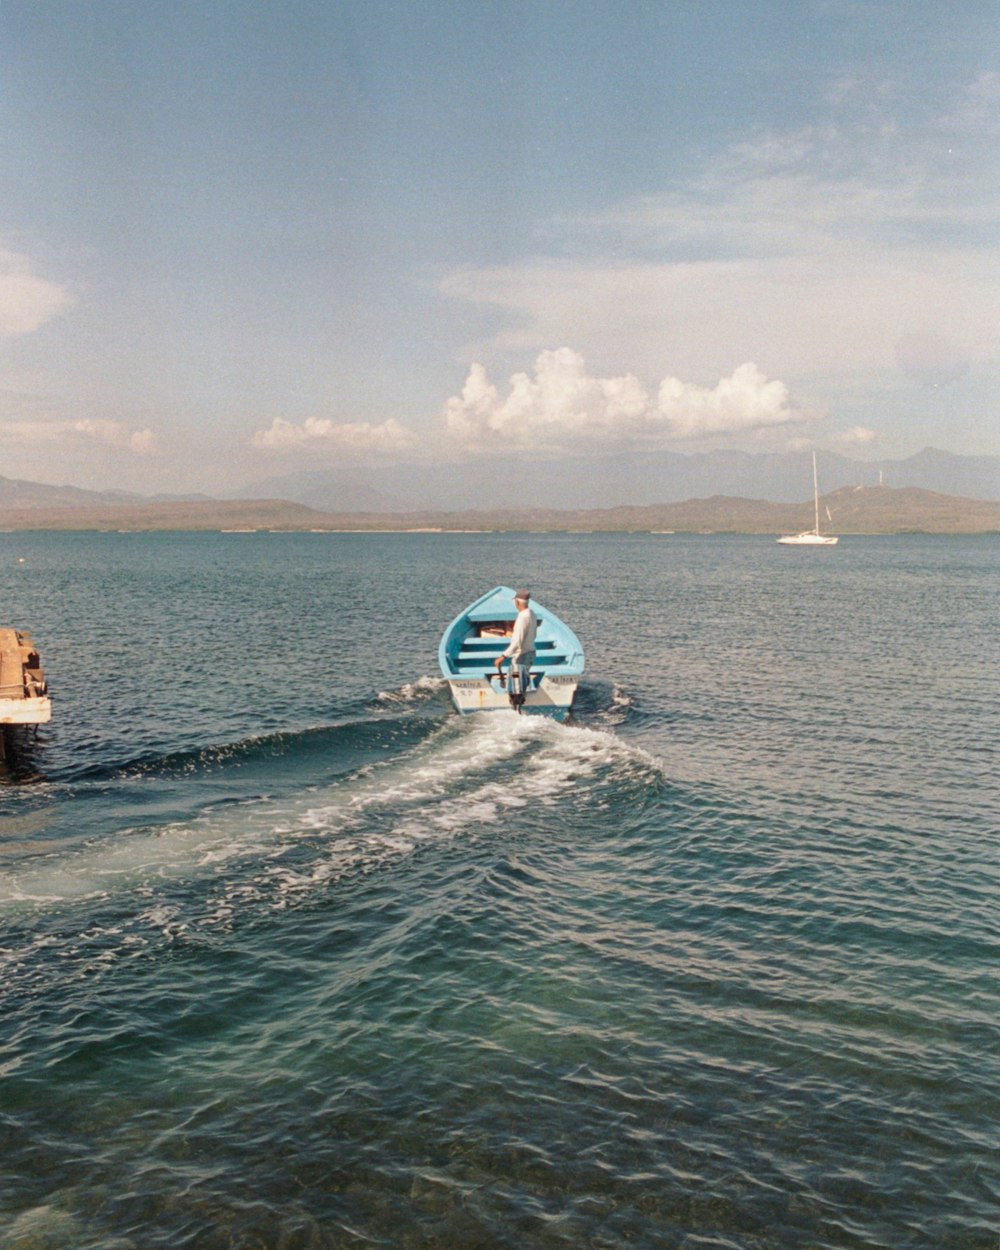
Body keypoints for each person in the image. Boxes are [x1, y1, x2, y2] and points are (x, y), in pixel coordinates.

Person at [494, 589, 537, 700]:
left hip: (521, 657)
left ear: (517, 602)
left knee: (516, 688)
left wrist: (502, 657)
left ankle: (517, 707)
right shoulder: (532, 613)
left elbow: (517, 643)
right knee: (523, 682)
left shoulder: (522, 617)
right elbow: (534, 634)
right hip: (531, 653)